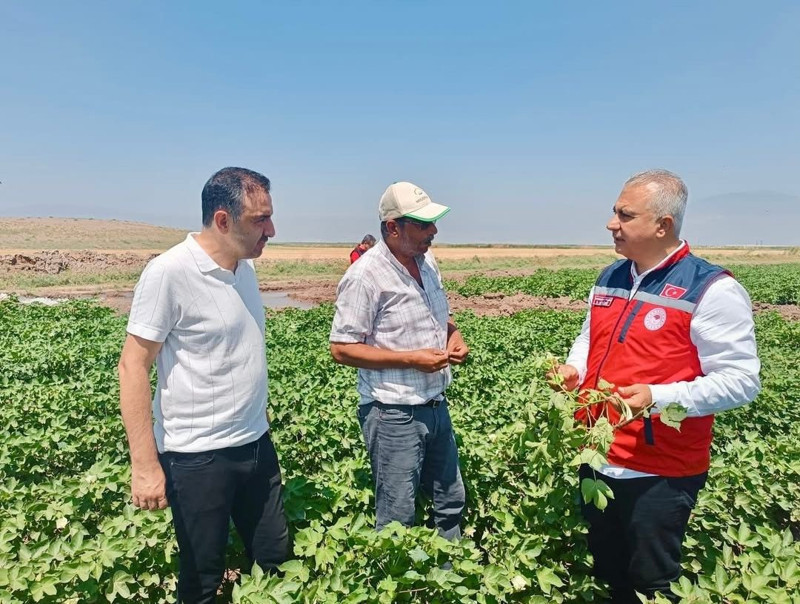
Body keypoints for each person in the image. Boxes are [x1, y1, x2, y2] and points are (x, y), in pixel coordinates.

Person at [549, 169, 760, 603]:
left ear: (662, 225)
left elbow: (741, 381)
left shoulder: (711, 289)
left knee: (652, 583)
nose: (612, 223)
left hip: (659, 469)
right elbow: (589, 338)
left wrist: (657, 397)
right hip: (597, 454)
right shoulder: (611, 276)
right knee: (606, 570)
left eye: (625, 215)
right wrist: (574, 369)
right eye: (615, 212)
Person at [118, 167, 289, 603]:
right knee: (202, 580)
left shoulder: (243, 267)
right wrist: (145, 465)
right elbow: (133, 366)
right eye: (260, 220)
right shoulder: (169, 273)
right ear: (223, 220)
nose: (271, 230)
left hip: (255, 445)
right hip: (198, 458)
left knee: (276, 562)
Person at [329, 181, 469, 540]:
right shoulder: (365, 276)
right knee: (397, 515)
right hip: (394, 413)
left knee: (450, 500)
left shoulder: (428, 261)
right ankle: (400, 573)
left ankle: (452, 568)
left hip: (436, 404)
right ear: (393, 227)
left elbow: (441, 315)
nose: (433, 231)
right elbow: (342, 348)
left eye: (433, 222)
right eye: (423, 224)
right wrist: (411, 360)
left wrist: (454, 335)